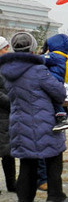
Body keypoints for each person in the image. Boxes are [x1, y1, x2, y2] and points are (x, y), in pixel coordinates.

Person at [0, 32, 68, 202]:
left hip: (19, 124)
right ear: (32, 48)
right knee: (53, 158)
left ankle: (25, 199)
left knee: (27, 164)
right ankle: (55, 196)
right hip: (43, 123)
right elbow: (59, 94)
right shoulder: (38, 70)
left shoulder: (7, 71)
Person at [42, 34, 68, 132]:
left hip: (52, 82)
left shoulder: (55, 56)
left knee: (54, 101)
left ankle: (62, 119)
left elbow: (40, 59)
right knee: (56, 102)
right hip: (58, 83)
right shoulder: (65, 57)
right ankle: (61, 118)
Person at [0, 37, 16, 193]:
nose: (7, 51)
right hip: (3, 111)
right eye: (5, 48)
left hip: (7, 116)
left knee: (8, 153)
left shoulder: (8, 67)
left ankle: (12, 184)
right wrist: (11, 101)